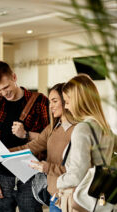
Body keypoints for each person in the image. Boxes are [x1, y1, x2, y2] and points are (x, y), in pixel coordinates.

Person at [0, 61, 49, 212]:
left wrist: (26, 134)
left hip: (30, 176)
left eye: (6, 87)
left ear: (14, 77)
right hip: (1, 177)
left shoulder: (40, 102)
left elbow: (50, 139)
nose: (4, 93)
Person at [6, 83, 76, 212]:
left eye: (54, 101)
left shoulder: (79, 129)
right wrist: (2, 153)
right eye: (50, 102)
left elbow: (78, 169)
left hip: (73, 196)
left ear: (66, 100)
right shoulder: (52, 128)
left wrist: (46, 167)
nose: (51, 106)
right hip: (55, 196)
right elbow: (29, 147)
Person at [56, 74, 115, 211]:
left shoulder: (82, 128)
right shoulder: (105, 128)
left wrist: (59, 181)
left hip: (81, 199)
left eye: (67, 101)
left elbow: (77, 175)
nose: (66, 107)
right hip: (102, 199)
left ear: (79, 101)